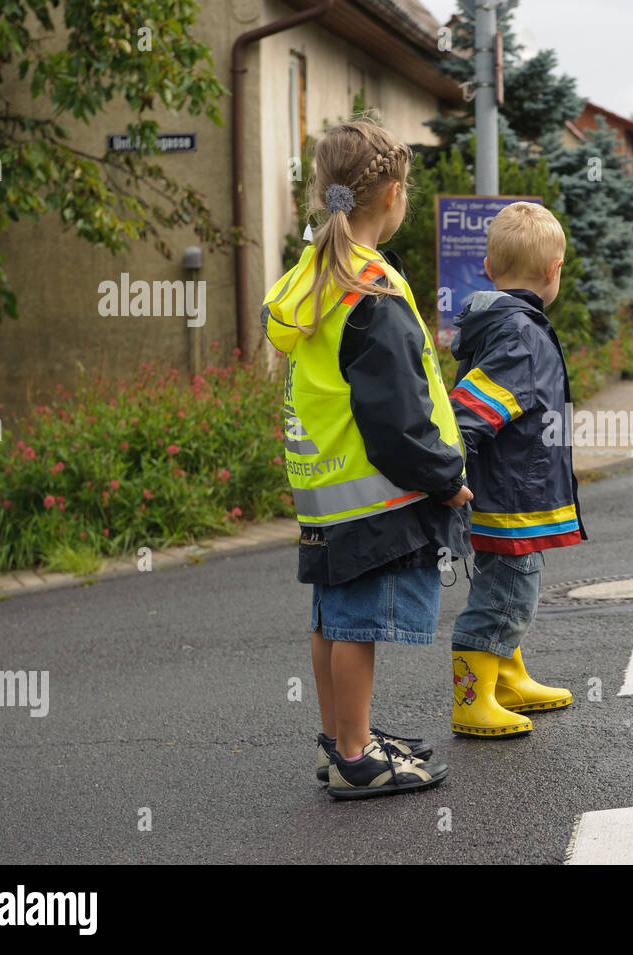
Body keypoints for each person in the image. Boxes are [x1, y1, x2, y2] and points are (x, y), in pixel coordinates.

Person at [262, 116, 472, 798]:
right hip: (375, 494)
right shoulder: (371, 290)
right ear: (392, 196)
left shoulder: (315, 274)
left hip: (326, 489)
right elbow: (396, 415)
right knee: (356, 624)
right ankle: (355, 755)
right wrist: (444, 477)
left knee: (331, 618)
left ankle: (338, 740)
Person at [446, 201, 587, 738]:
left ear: (488, 266)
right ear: (554, 271)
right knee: (505, 596)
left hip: (510, 493)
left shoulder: (504, 325)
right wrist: (449, 471)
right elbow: (470, 412)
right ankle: (471, 701)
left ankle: (506, 677)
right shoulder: (522, 337)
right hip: (508, 499)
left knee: (514, 588)